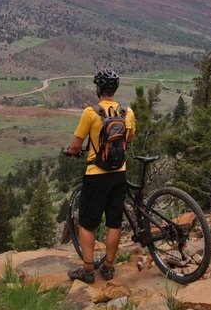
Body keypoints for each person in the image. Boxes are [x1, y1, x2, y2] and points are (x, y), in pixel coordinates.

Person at [65, 69, 136, 284]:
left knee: (87, 224)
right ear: (115, 89)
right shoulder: (127, 112)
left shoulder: (90, 113)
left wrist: (72, 152)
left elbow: (77, 145)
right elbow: (128, 139)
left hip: (96, 175)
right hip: (119, 174)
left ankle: (87, 270)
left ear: (98, 89)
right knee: (114, 222)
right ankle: (108, 267)